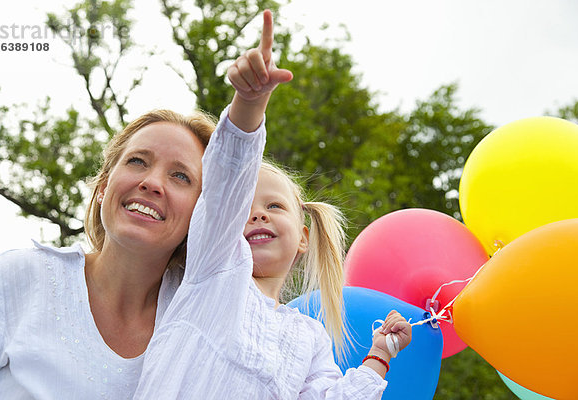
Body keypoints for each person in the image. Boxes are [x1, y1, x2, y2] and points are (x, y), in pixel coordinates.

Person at [133, 10, 412, 400]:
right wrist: (250, 103)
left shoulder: (309, 337)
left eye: (275, 207)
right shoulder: (216, 270)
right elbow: (228, 179)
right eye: (244, 207)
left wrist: (379, 356)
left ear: (302, 237)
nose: (258, 214)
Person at [0, 46, 281, 400]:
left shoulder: (198, 317)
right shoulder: (13, 279)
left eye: (181, 177)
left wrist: (249, 104)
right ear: (104, 187)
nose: (152, 182)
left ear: (200, 217)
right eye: (138, 161)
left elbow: (232, 176)